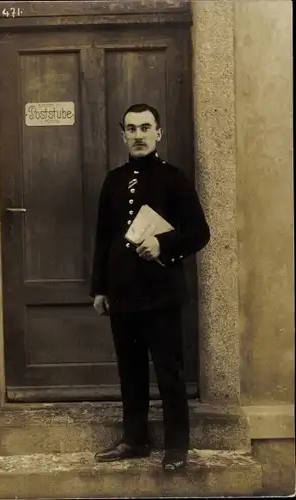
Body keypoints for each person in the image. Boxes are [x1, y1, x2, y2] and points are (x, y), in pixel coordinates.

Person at [90, 103, 210, 471]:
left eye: (146, 128)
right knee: (130, 370)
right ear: (123, 134)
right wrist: (100, 288)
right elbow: (103, 240)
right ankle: (135, 440)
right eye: (131, 128)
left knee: (168, 371)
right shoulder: (113, 181)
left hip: (161, 294)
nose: (139, 135)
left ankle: (176, 447)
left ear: (159, 133)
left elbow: (200, 233)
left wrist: (163, 244)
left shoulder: (173, 179)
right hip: (123, 295)